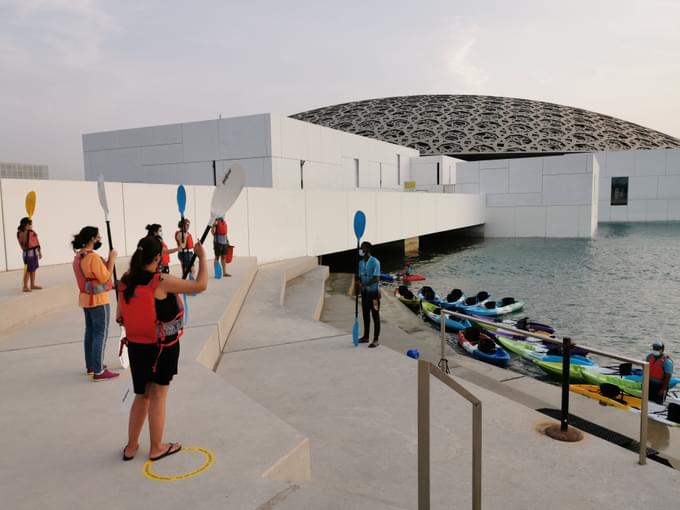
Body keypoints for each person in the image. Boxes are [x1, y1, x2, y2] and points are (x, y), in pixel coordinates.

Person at [118, 236, 207, 462]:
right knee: (158, 395)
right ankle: (156, 447)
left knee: (142, 395)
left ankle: (131, 446)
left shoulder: (126, 281)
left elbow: (120, 316)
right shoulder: (161, 281)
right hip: (161, 348)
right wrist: (203, 258)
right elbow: (200, 285)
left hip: (137, 348)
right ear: (157, 257)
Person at [72, 226, 119, 381]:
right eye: (98, 236)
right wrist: (112, 258)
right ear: (92, 238)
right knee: (100, 333)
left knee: (90, 332)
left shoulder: (79, 256)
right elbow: (105, 276)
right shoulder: (91, 257)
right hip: (98, 299)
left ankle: (92, 365)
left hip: (86, 298)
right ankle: (98, 371)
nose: (100, 239)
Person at [356, 241, 381, 348]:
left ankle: (376, 339)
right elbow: (359, 277)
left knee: (375, 315)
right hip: (364, 294)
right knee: (365, 315)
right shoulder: (360, 263)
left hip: (374, 294)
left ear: (368, 250)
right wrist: (358, 285)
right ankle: (366, 336)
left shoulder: (375, 262)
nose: (361, 250)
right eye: (361, 247)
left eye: (363, 248)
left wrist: (364, 285)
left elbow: (376, 278)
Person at [17, 217, 42, 292]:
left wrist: (39, 251)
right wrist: (26, 232)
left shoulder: (31, 232)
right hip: (28, 254)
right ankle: (25, 286)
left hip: (34, 253)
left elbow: (36, 241)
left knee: (33, 269)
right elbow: (24, 243)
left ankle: (32, 284)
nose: (31, 225)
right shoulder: (20, 233)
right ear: (26, 225)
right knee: (28, 270)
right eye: (30, 224)